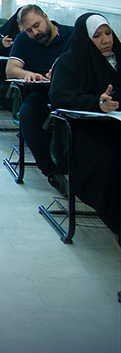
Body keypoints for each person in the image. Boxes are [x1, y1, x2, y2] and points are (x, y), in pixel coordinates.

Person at [49, 13, 120, 237]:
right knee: (111, 159)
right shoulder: (70, 62)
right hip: (86, 133)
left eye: (108, 33)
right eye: (97, 36)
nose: (106, 40)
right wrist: (96, 102)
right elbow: (59, 96)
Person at [6, 5, 75, 194]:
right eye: (29, 30)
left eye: (37, 26)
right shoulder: (24, 40)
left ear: (45, 17)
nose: (35, 33)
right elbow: (11, 69)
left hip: (70, 94)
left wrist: (62, 72)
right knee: (27, 115)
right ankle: (52, 173)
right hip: (42, 94)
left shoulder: (71, 35)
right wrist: (28, 74)